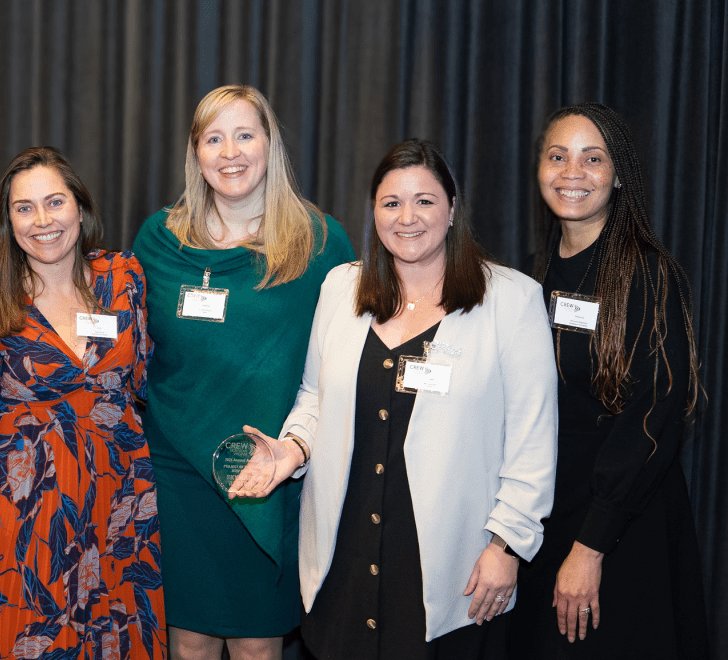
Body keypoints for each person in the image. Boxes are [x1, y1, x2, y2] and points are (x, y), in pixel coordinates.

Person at [235, 139, 558, 659]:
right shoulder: (341, 289)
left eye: (425, 201)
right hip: (345, 549)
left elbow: (533, 440)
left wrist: (507, 545)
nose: (407, 217)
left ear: (452, 209)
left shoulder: (511, 301)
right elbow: (314, 398)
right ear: (374, 213)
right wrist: (291, 449)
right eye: (391, 203)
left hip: (452, 564)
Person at [130, 84, 356, 660]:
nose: (230, 152)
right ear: (196, 153)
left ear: (269, 144)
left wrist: (296, 450)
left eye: (244, 135)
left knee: (259, 645)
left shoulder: (321, 243)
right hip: (177, 472)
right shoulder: (159, 240)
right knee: (190, 641)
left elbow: (343, 368)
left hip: (267, 477)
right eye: (214, 138)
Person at [0, 147, 165, 660]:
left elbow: (145, 382)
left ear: (80, 210)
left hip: (120, 511)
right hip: (27, 523)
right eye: (24, 208)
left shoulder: (124, 280)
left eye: (55, 202)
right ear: (7, 221)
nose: (42, 221)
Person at [507, 103, 709, 659]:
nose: (572, 172)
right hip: (547, 515)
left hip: (620, 526)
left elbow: (654, 414)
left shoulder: (649, 273)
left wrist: (592, 545)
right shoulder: (529, 278)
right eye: (558, 156)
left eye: (592, 159)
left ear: (618, 175)